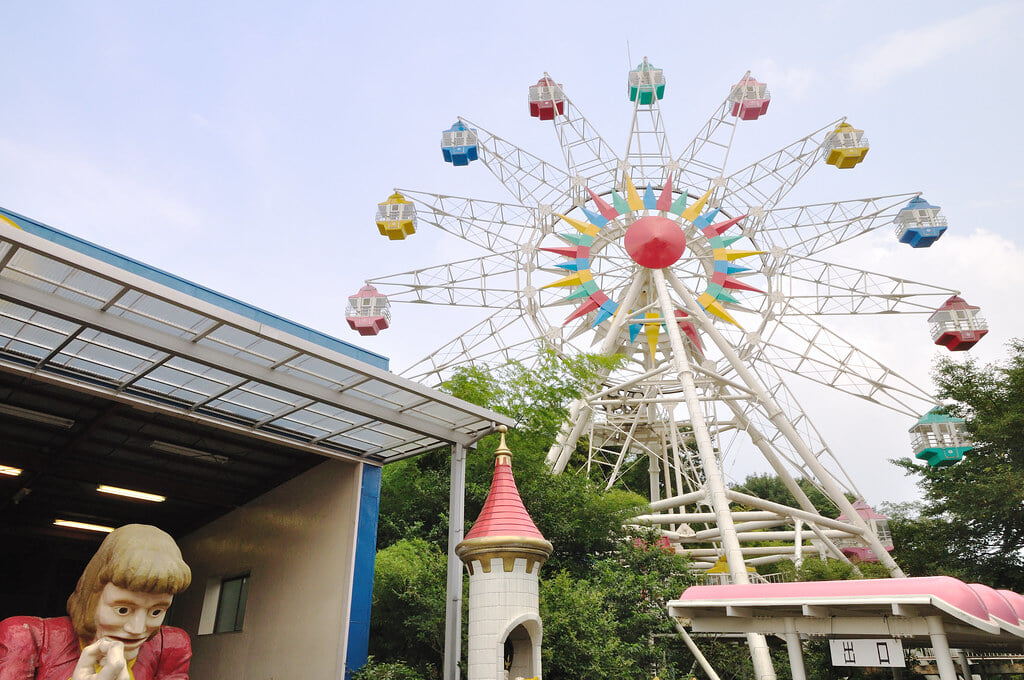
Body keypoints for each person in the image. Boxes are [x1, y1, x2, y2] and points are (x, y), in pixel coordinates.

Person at [0, 524, 192, 680]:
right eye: (123, 610)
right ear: (92, 597)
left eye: (156, 612)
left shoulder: (169, 646)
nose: (137, 628)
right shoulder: (26, 636)